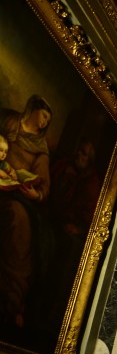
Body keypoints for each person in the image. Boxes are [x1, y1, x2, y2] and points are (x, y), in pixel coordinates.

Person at [0, 94, 53, 330]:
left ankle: (11, 300)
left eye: (47, 121)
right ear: (33, 108)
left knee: (19, 218)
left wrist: (35, 195)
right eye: (43, 116)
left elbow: (44, 185)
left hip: (16, 195)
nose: (43, 123)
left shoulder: (41, 150)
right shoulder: (9, 121)